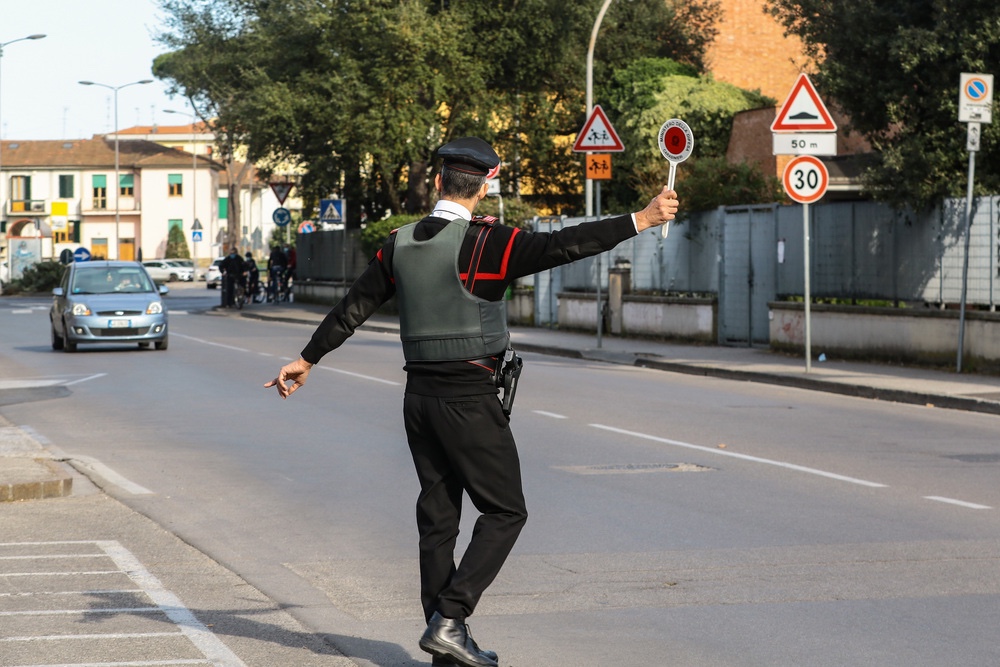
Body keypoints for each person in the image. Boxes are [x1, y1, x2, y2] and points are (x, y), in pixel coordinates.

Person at [265, 137, 679, 667]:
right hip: (469, 396)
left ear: (439, 182)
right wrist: (640, 219)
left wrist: (307, 359)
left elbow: (353, 308)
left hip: (418, 399)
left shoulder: (399, 243)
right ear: (484, 186)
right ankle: (451, 619)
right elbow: (563, 245)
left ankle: (445, 652)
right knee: (506, 510)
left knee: (438, 519)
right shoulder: (490, 244)